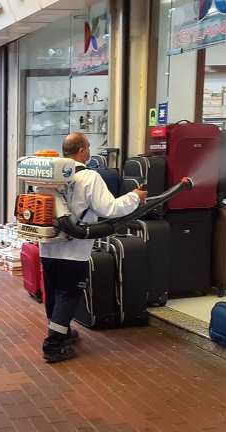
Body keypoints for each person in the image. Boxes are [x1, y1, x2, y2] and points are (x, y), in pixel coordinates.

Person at [39, 133, 147, 363]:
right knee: (68, 294)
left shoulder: (50, 176)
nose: (89, 151)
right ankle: (53, 346)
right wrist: (135, 196)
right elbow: (110, 209)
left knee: (54, 293)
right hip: (74, 248)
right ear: (82, 150)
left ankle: (62, 331)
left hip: (47, 246)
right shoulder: (90, 177)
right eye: (87, 147)